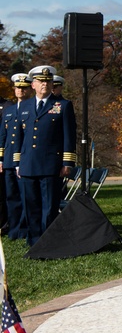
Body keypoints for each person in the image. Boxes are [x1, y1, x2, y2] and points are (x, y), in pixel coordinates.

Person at [17, 65, 77, 246]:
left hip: (51, 165)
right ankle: (34, 242)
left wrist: (67, 162)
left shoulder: (62, 105)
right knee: (31, 206)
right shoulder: (25, 106)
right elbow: (20, 136)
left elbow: (69, 135)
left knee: (49, 207)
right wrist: (18, 163)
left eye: (48, 81)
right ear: (33, 85)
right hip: (28, 164)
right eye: (41, 81)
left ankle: (49, 243)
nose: (45, 84)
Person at [1, 73, 32, 239]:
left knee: (25, 196)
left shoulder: (33, 107)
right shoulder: (9, 109)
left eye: (24, 88)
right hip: (8, 160)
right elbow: (3, 136)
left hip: (25, 160)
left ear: (29, 89)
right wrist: (1, 159)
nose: (20, 90)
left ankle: (25, 229)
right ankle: (13, 230)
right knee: (11, 196)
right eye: (18, 87)